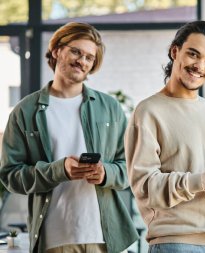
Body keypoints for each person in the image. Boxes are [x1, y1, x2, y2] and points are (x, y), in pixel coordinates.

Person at [0, 22, 138, 253]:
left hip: (105, 239)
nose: (82, 61)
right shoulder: (25, 111)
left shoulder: (110, 108)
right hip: (55, 239)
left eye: (89, 57)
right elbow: (10, 176)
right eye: (76, 51)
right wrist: (59, 170)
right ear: (56, 50)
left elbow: (131, 167)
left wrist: (106, 173)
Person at [125, 20, 205, 253]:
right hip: (177, 242)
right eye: (193, 54)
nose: (200, 66)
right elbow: (145, 187)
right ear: (175, 52)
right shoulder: (148, 112)